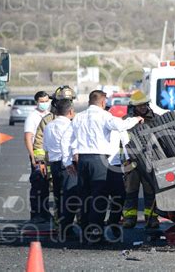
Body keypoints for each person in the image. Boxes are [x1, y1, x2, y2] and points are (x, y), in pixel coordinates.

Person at [61, 90, 143, 243]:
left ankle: (86, 232)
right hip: (100, 160)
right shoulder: (105, 116)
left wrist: (67, 161)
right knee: (99, 199)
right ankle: (96, 234)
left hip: (84, 160)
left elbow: (66, 138)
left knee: (86, 197)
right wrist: (137, 119)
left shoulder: (78, 117)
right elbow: (122, 125)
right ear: (103, 102)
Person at [33, 85, 76, 222]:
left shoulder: (76, 118)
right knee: (59, 196)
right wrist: (40, 162)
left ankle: (78, 222)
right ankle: (61, 224)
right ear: (56, 102)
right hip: (55, 164)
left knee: (76, 194)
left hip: (73, 164)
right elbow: (39, 143)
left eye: (70, 100)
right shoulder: (47, 120)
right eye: (65, 100)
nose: (68, 103)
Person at [122, 90, 160, 229]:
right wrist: (125, 160)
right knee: (130, 191)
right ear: (134, 107)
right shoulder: (126, 121)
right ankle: (129, 218)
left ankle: (151, 219)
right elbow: (121, 142)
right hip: (131, 161)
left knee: (150, 191)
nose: (143, 107)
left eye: (145, 105)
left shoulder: (155, 119)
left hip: (150, 160)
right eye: (140, 105)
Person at [24, 91, 51, 223]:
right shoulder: (33, 116)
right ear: (37, 102)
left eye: (46, 101)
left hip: (48, 156)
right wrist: (33, 157)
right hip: (38, 155)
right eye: (42, 101)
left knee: (45, 187)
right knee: (38, 186)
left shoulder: (49, 115)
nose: (45, 103)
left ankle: (45, 213)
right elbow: (28, 138)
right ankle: (36, 214)